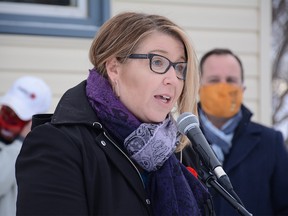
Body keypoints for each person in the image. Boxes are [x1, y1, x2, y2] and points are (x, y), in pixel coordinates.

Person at [15, 12, 215, 216]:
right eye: (157, 62)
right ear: (113, 68)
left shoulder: (181, 150)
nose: (173, 79)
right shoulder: (59, 146)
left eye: (180, 67)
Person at [182, 48, 288, 215]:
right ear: (199, 87)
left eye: (231, 80)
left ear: (242, 89)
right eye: (214, 80)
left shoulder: (270, 142)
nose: (223, 87)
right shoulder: (179, 142)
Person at [0, 76, 51, 216]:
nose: (8, 119)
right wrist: (18, 144)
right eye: (7, 111)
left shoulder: (42, 152)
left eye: (17, 116)